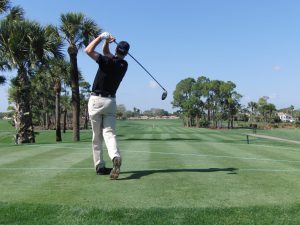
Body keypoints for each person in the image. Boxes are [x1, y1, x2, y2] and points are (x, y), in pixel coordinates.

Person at [85, 32, 130, 179]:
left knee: (97, 136)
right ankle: (115, 156)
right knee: (109, 133)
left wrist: (100, 37)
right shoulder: (124, 65)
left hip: (96, 101)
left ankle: (100, 166)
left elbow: (88, 50)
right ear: (126, 53)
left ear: (117, 50)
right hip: (110, 102)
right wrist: (107, 43)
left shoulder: (106, 61)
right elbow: (107, 53)